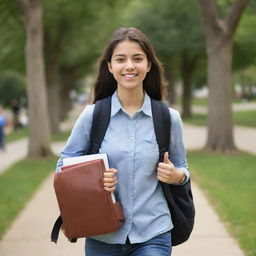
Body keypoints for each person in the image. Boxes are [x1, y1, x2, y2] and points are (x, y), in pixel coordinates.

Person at [56, 27, 189, 256]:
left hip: (153, 232)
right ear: (110, 67)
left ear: (148, 65)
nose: (129, 66)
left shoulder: (169, 118)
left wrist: (176, 176)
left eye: (137, 59)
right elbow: (64, 165)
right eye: (121, 59)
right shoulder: (92, 116)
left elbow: (182, 168)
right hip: (102, 234)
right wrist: (94, 178)